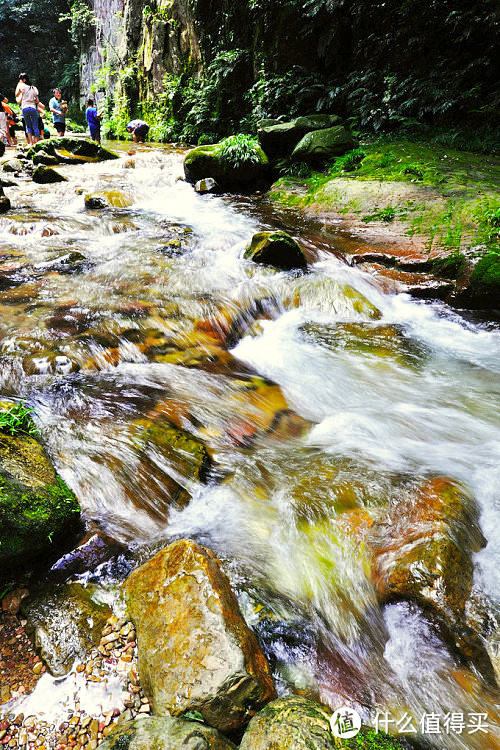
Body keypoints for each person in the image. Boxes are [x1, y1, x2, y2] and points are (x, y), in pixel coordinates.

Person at [15, 73, 40, 145]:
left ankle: (31, 143)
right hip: (32, 107)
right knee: (35, 125)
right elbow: (37, 101)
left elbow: (16, 94)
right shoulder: (33, 88)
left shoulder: (22, 86)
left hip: (25, 107)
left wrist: (19, 85)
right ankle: (37, 143)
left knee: (28, 125)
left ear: (23, 80)